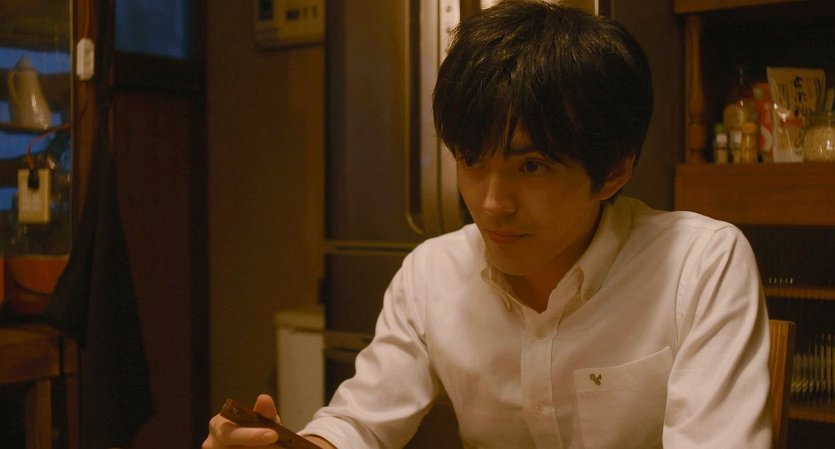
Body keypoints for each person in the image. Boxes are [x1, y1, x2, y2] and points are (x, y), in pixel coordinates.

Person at [204, 1, 772, 448]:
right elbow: (361, 421)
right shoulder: (432, 273)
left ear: (615, 170)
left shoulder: (700, 265)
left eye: (532, 166)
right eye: (472, 162)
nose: (492, 204)